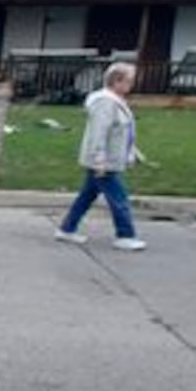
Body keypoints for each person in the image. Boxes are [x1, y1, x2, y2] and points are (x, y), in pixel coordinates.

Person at [55, 62, 146, 251]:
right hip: (105, 162)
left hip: (107, 159)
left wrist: (133, 152)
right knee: (119, 198)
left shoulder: (116, 102)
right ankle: (125, 235)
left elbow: (122, 133)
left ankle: (67, 229)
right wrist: (99, 160)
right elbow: (99, 132)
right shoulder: (105, 103)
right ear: (116, 81)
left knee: (86, 196)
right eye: (128, 81)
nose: (131, 85)